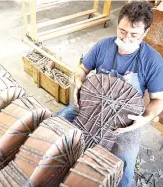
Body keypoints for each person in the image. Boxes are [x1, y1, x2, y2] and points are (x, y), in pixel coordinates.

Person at [55, 2, 163, 187]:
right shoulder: (103, 46)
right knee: (57, 124)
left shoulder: (153, 61)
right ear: (118, 24)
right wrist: (78, 82)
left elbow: (158, 100)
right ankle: (53, 172)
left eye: (134, 34)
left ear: (145, 33)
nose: (127, 38)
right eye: (122, 31)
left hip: (125, 121)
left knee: (124, 163)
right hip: (90, 106)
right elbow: (81, 69)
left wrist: (144, 119)